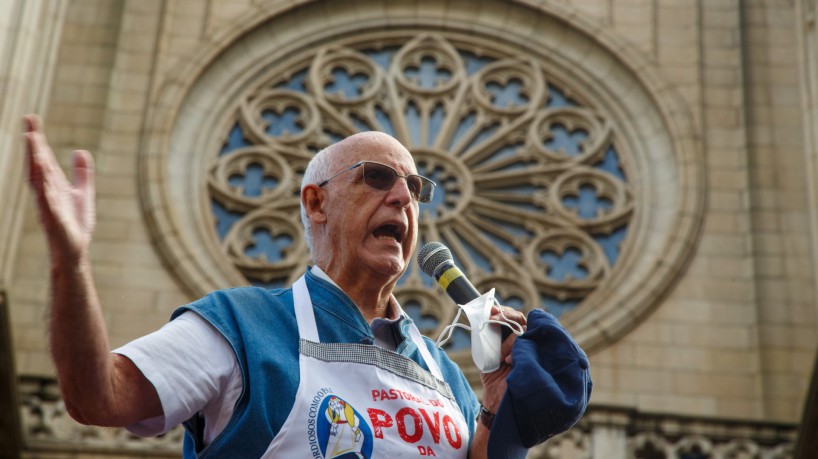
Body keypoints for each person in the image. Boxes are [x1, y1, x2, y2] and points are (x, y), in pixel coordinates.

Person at [23, 113, 591, 458]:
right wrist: (70, 263)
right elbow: (99, 398)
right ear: (315, 201)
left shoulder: (447, 377)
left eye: (414, 189)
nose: (402, 198)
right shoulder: (240, 327)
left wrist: (498, 407)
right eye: (377, 178)